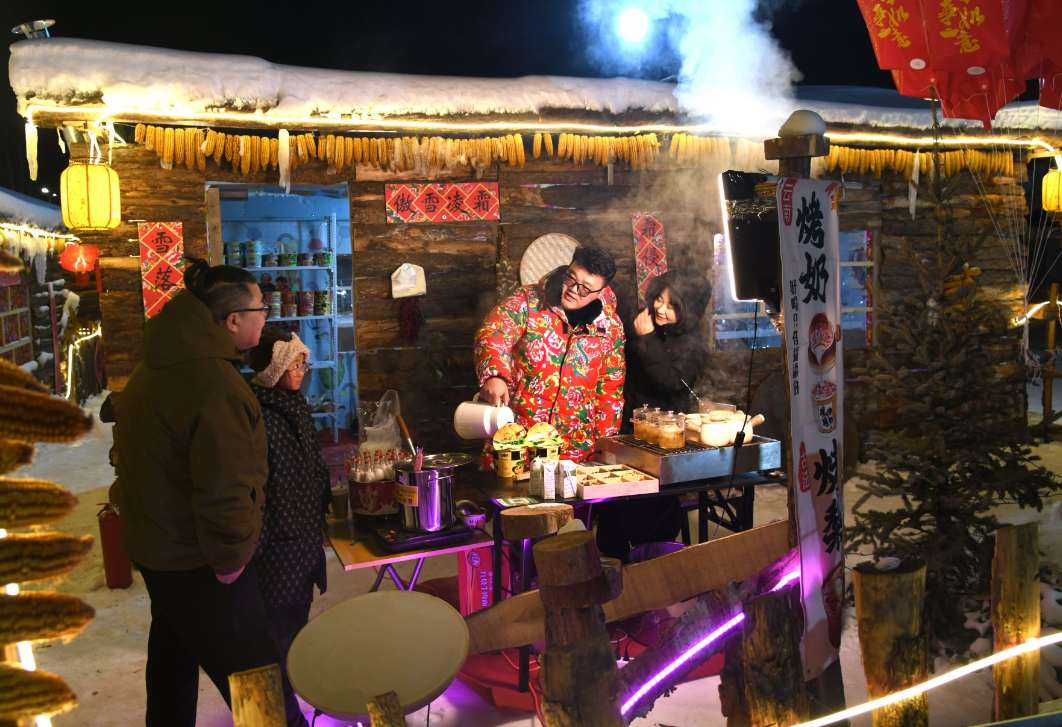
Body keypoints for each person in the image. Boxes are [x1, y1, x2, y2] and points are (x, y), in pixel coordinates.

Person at [113, 256, 294, 725]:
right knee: (260, 688)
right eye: (261, 308)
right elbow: (225, 486)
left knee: (173, 666)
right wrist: (231, 560)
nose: (266, 316)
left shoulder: (160, 364)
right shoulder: (215, 385)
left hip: (159, 551)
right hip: (202, 562)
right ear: (233, 321)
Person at [595, 271, 713, 562]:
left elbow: (670, 383)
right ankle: (613, 561)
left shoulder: (694, 343)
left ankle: (651, 563)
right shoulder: (644, 321)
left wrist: (646, 339)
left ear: (688, 310)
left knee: (649, 507)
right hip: (627, 426)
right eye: (659, 299)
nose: (660, 308)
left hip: (663, 437)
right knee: (616, 499)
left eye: (672, 306)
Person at [247, 331, 331, 727]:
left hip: (301, 540)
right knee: (276, 640)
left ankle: (286, 710)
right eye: (294, 364)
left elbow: (308, 469)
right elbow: (262, 490)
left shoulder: (292, 406)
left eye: (303, 364)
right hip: (278, 547)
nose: (302, 370)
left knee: (294, 630)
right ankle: (275, 717)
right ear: (273, 369)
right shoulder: (261, 416)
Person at [475, 246, 625, 463]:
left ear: (601, 292)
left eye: (585, 289)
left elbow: (610, 389)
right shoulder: (528, 301)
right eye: (571, 278)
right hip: (517, 439)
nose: (573, 290)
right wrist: (495, 375)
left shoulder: (611, 327)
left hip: (574, 449)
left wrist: (606, 448)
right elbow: (493, 332)